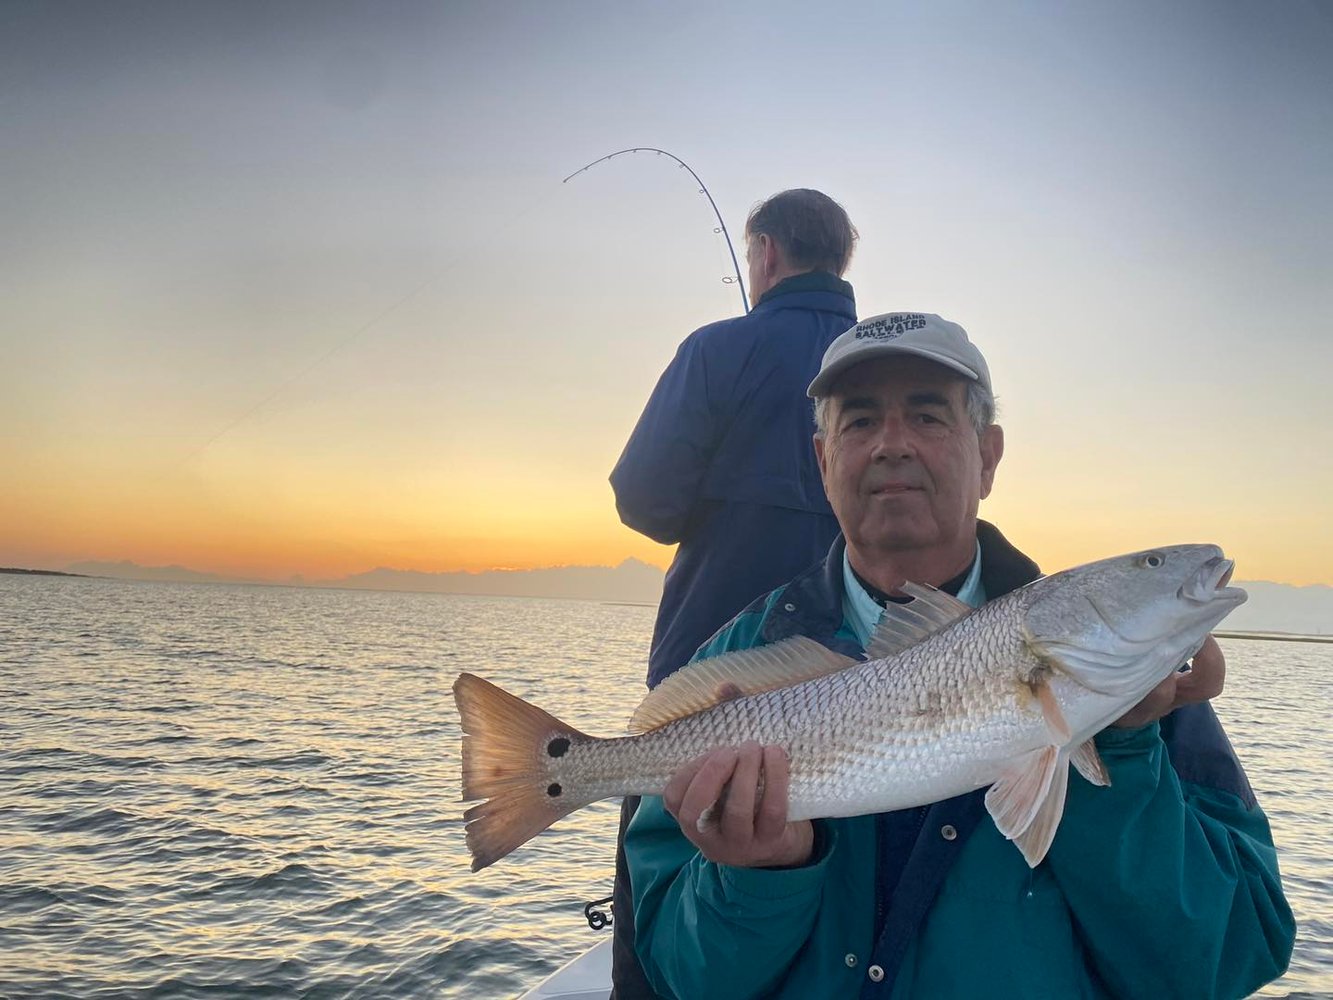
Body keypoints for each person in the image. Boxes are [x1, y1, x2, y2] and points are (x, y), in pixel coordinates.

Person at [625, 312, 1295, 999]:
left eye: (927, 416)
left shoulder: (1144, 690)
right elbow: (679, 976)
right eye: (858, 421)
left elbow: (1231, 958)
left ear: (989, 455)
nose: (892, 444)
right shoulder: (733, 666)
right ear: (822, 462)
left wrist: (1119, 756)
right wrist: (757, 874)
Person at [607, 189, 859, 997]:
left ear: (765, 254)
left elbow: (644, 502)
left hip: (706, 673)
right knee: (838, 899)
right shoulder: (884, 373)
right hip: (867, 694)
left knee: (672, 878)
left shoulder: (719, 350)